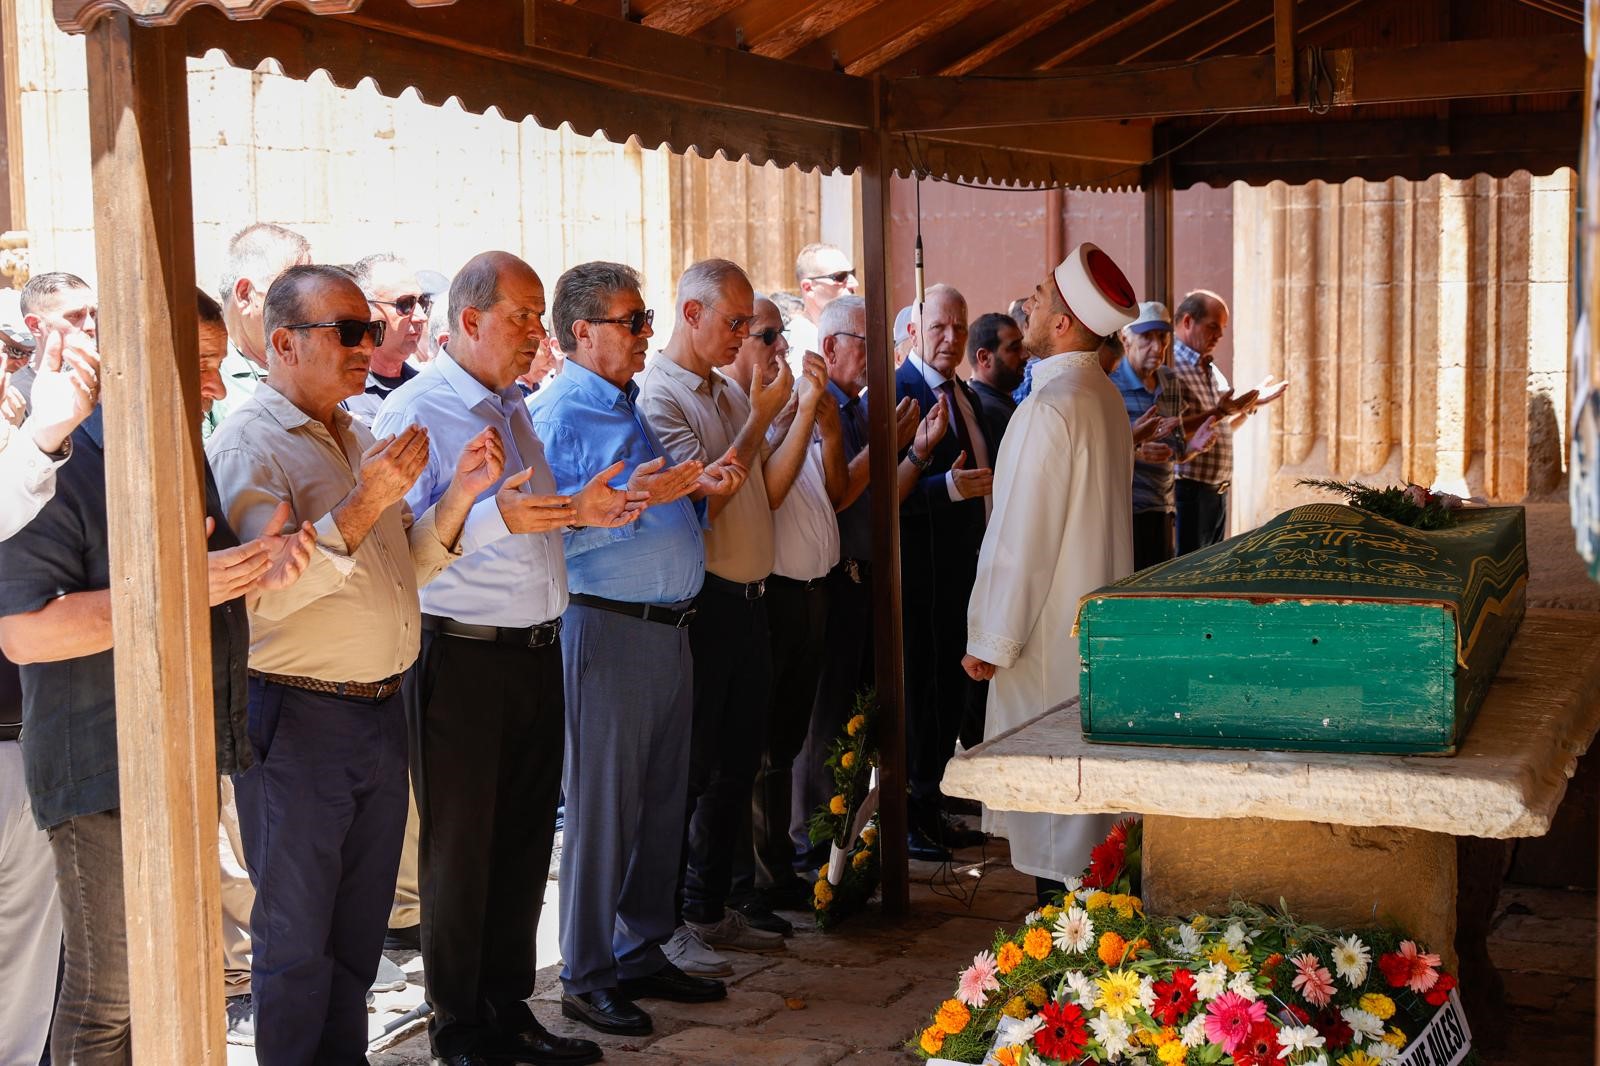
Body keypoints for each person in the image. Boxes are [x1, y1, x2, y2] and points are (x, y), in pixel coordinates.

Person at [0, 287, 315, 1066]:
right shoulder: (57, 464)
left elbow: (197, 587)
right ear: (132, 362)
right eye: (199, 363)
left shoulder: (179, 447)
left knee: (171, 975)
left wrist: (256, 572)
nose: (214, 384)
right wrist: (177, 589)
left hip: (183, 750)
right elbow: (27, 636)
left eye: (217, 363)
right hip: (97, 763)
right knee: (108, 996)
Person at [207, 264, 496, 1066]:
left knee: (358, 930)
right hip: (298, 715)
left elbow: (397, 568)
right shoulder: (249, 443)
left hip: (377, 708)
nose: (368, 346)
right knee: (298, 937)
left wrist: (459, 496)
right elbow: (263, 594)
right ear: (284, 344)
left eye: (370, 330)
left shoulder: (357, 433)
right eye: (348, 331)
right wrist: (367, 501)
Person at [376, 251, 643, 1066]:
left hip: (533, 650)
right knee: (461, 850)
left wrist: (587, 510)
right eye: (521, 316)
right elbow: (401, 557)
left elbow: (532, 523)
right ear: (469, 321)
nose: (537, 333)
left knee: (525, 845)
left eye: (537, 318)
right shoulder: (417, 412)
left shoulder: (515, 406)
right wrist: (499, 515)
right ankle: (458, 1025)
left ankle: (508, 1008)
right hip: (460, 657)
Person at [528, 260, 731, 1038]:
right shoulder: (560, 415)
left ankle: (639, 947)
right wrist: (640, 502)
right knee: (605, 811)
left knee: (658, 802)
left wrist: (682, 497)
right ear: (582, 332)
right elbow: (548, 532)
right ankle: (585, 973)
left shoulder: (623, 399)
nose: (648, 334)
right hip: (609, 628)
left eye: (646, 319)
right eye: (633, 321)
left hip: (667, 626)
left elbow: (646, 502)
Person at [962, 242, 1140, 904]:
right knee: (1083, 823)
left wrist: (991, 638)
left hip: (1047, 641)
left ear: (1062, 322)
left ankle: (1063, 956)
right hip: (1089, 635)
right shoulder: (1101, 396)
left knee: (1056, 818)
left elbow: (1021, 538)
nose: (1027, 307)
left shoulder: (1050, 406)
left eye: (1037, 298)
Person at [636, 258, 788, 969]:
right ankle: (665, 921)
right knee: (691, 770)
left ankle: (708, 906)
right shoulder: (659, 396)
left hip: (752, 599)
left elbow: (756, 482)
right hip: (707, 603)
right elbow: (704, 503)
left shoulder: (726, 388)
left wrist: (768, 414)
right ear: (690, 314)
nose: (742, 335)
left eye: (748, 323)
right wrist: (759, 419)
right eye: (733, 322)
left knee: (737, 764)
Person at [791, 295, 937, 872]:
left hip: (864, 578)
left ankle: (842, 843)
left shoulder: (856, 407)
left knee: (856, 721)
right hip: (831, 580)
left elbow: (878, 499)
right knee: (824, 724)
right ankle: (810, 846)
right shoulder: (817, 405)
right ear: (830, 347)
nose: (882, 359)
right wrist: (888, 447)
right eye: (869, 346)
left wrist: (916, 455)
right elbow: (835, 495)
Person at [722, 296, 844, 929]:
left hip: (808, 593)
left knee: (785, 741)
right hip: (767, 595)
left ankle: (775, 867)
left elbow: (828, 492)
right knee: (758, 746)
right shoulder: (740, 409)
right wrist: (797, 412)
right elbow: (768, 491)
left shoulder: (778, 407)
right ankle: (755, 877)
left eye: (778, 335)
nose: (778, 347)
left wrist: (813, 417)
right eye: (765, 335)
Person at [895, 283, 994, 863]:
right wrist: (947, 488)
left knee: (952, 693)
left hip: (967, 570)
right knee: (923, 696)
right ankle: (912, 818)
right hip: (923, 574)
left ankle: (935, 805)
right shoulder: (899, 391)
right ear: (914, 330)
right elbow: (883, 495)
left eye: (959, 327)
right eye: (938, 327)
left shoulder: (965, 393)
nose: (950, 338)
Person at [1169, 289, 1287, 552]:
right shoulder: (1173, 368)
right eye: (1213, 326)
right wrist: (1221, 412)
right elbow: (1173, 429)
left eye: (1222, 329)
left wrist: (1248, 406)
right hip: (1190, 490)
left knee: (1210, 570)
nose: (1219, 336)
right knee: (1190, 570)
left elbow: (1222, 426)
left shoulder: (1210, 369)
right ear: (1188, 321)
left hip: (1216, 492)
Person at [208, 223, 313, 438]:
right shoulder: (205, 374)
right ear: (245, 294)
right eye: (292, 294)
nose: (309, 308)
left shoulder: (312, 361)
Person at [341, 253, 429, 425]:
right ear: (366, 309)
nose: (421, 317)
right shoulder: (340, 393)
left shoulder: (427, 388)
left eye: (422, 302)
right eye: (406, 304)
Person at [785, 243, 857, 370]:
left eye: (852, 274)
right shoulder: (801, 338)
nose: (854, 284)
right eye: (840, 277)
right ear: (808, 287)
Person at [966, 311, 1026, 450]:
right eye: (1015, 349)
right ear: (984, 357)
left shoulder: (998, 401)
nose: (1025, 355)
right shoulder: (987, 411)